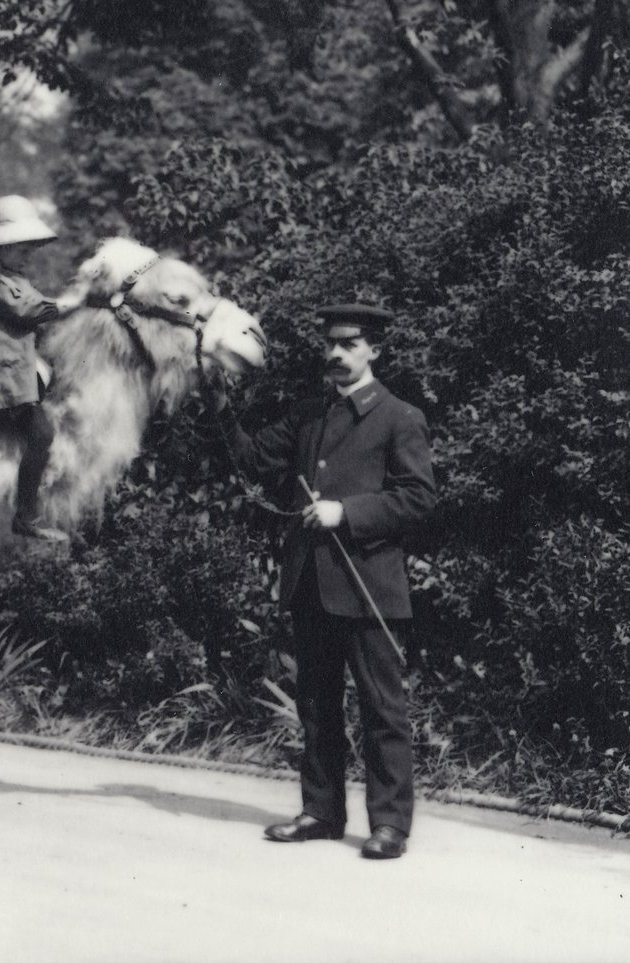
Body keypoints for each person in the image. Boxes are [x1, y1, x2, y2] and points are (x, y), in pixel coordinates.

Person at [211, 304, 437, 859]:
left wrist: (347, 513)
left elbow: (419, 498)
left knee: (383, 708)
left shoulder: (399, 416)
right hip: (312, 583)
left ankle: (389, 826)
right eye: (330, 344)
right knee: (316, 703)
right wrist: (218, 407)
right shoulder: (309, 414)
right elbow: (253, 459)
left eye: (350, 343)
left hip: (369, 589)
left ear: (375, 349)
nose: (336, 353)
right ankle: (320, 812)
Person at [0, 195, 86, 541]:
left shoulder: (12, 278)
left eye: (30, 248)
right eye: (20, 247)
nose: (27, 254)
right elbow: (28, 311)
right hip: (0, 379)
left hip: (15, 372)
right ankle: (26, 515)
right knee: (42, 434)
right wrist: (76, 301)